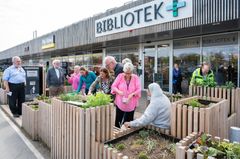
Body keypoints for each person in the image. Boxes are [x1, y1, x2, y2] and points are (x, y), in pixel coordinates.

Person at [111, 62, 141, 128]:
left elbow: (139, 89)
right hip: (120, 101)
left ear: (132, 72)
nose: (128, 75)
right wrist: (118, 91)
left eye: (129, 73)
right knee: (118, 120)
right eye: (126, 73)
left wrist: (132, 94)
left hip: (131, 102)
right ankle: (117, 131)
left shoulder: (135, 78)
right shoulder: (120, 76)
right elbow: (113, 86)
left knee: (129, 120)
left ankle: (126, 133)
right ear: (124, 71)